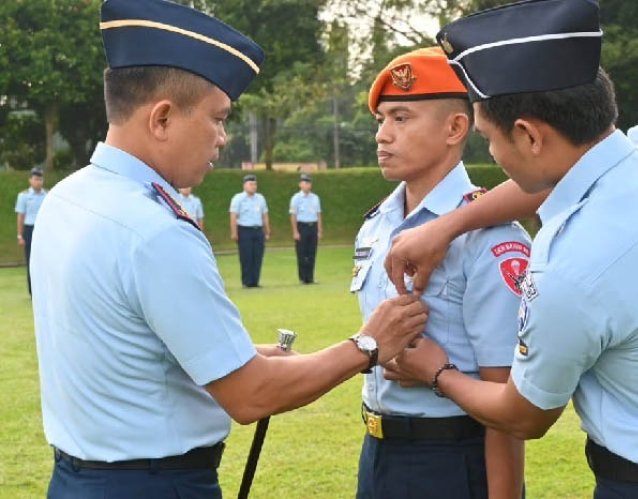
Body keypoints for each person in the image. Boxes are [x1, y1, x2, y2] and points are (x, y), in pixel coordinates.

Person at [29, 1, 428, 497]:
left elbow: (120, 347)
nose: (222, 139)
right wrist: (366, 345)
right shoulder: (156, 231)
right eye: (218, 119)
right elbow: (250, 395)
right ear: (162, 118)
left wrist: (228, 356)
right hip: (153, 484)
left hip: (75, 479)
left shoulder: (69, 198)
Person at [387, 1, 638, 498]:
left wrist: (436, 371)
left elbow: (524, 415)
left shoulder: (568, 272)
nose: (491, 154)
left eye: (490, 138)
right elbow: (574, 176)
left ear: (529, 135)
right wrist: (448, 226)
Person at [353, 47, 528, 499]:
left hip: (451, 460)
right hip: (377, 453)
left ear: (455, 127)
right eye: (381, 121)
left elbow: (507, 403)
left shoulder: (488, 238)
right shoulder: (377, 225)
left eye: (402, 118)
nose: (383, 135)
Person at [230, 174, 270, 287]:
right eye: (251, 184)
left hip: (258, 230)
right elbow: (233, 216)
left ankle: (255, 281)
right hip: (244, 230)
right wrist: (234, 232)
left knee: (258, 256)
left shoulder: (260, 198)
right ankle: (246, 281)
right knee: (246, 256)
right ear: (244, 185)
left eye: (255, 184)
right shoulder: (238, 199)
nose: (253, 186)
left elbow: (265, 215)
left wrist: (267, 230)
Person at [15, 167, 46, 296]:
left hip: (44, 230)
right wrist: (20, 235)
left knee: (45, 260)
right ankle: (33, 291)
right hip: (30, 229)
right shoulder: (24, 196)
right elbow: (21, 216)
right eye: (36, 179)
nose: (38, 182)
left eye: (40, 179)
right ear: (30, 180)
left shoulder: (47, 195)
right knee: (31, 260)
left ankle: (45, 290)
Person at [289, 173, 322, 284]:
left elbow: (318, 215)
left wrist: (319, 230)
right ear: (300, 185)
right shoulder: (296, 198)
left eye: (309, 183)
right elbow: (293, 215)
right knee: (302, 253)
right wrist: (295, 231)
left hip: (313, 226)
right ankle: (303, 278)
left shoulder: (315, 198)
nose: (307, 185)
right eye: (305, 183)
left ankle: (310, 277)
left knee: (312, 253)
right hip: (301, 226)